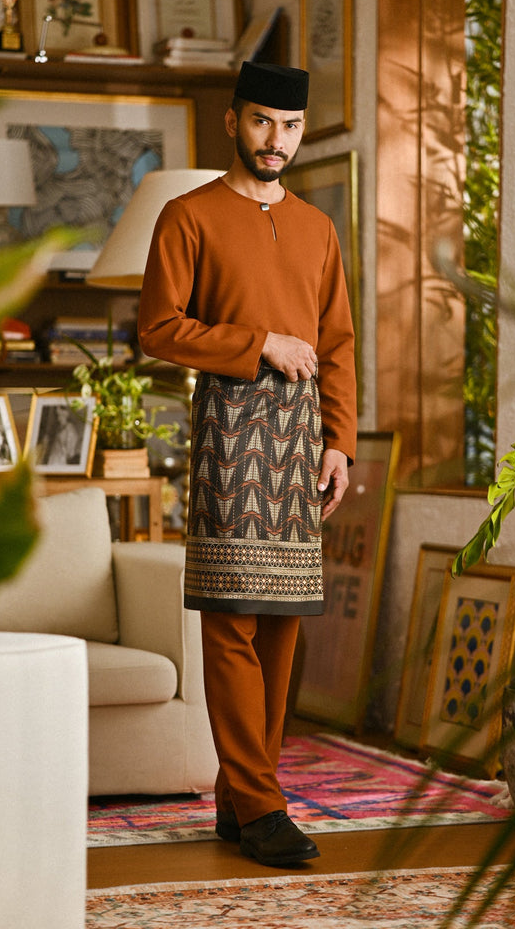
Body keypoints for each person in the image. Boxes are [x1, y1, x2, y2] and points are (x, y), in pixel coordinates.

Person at [138, 61, 357, 867]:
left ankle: (239, 799)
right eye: (262, 121)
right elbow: (158, 327)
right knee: (231, 614)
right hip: (230, 433)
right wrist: (258, 343)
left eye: (290, 125)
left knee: (280, 620)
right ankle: (264, 806)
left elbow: (337, 342)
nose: (276, 139)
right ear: (232, 121)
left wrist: (340, 441)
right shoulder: (187, 215)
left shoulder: (317, 227)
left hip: (301, 439)